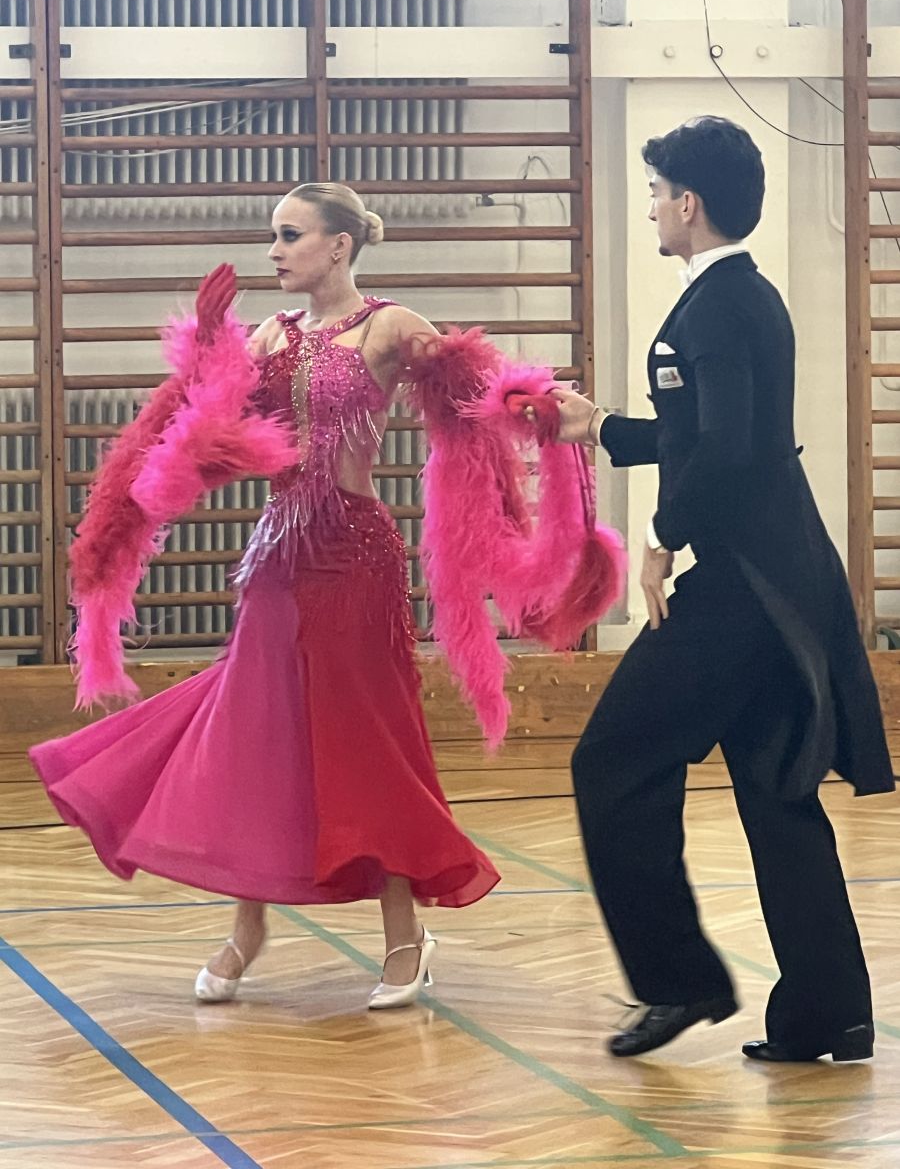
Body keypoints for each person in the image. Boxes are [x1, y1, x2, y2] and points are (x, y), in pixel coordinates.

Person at [30, 182, 502, 1010]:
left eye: (290, 235)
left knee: (371, 737)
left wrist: (530, 406)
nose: (274, 251)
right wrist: (210, 349)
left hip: (354, 555)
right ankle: (247, 928)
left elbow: (477, 403)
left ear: (339, 246)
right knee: (255, 731)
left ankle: (405, 935)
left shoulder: (390, 326)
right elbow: (206, 430)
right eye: (273, 236)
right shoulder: (270, 333)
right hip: (277, 556)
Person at [550, 117, 895, 1061]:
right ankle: (829, 1014)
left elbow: (730, 449)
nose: (653, 209)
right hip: (781, 575)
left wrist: (659, 539)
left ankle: (679, 983)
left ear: (688, 203)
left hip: (750, 591)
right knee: (777, 794)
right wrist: (602, 427)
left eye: (657, 194)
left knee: (611, 762)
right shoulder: (738, 299)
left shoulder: (719, 306)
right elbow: (705, 433)